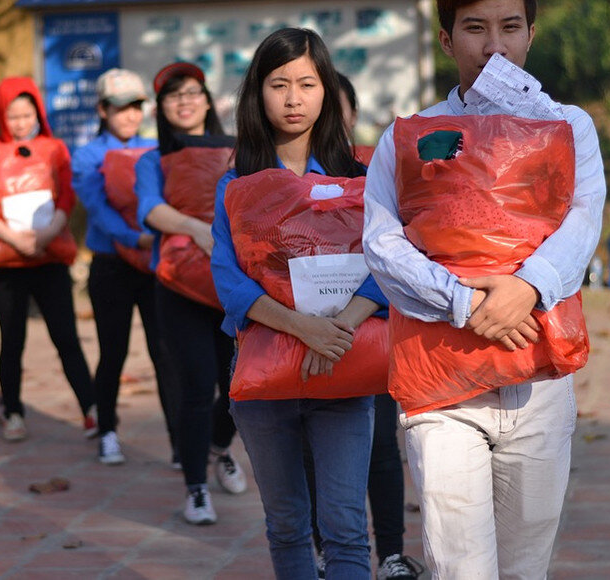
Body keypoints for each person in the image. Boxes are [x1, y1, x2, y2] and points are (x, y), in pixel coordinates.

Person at [362, 0, 606, 577]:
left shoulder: (568, 125)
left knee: (526, 566)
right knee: (460, 566)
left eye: (509, 26)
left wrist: (527, 287)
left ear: (530, 35)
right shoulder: (410, 136)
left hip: (539, 377)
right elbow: (382, 242)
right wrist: (464, 302)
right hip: (441, 385)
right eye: (474, 28)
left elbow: (584, 218)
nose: (493, 45)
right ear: (446, 41)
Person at [211, 28, 384, 579]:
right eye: (278, 83)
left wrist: (337, 331)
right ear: (257, 93)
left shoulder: (363, 177)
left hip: (345, 369)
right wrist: (300, 327)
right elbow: (227, 276)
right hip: (265, 380)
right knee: (287, 528)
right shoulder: (238, 183)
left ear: (326, 91)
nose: (293, 98)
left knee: (347, 532)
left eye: (307, 84)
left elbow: (392, 264)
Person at [304, 72, 423, 580]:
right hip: (302, 338)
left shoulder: (374, 176)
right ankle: (327, 550)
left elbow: (397, 252)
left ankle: (391, 554)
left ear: (350, 115)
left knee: (379, 447)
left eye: (338, 106)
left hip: (370, 328)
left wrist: (354, 315)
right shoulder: (282, 184)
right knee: (314, 452)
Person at [135, 61, 247, 525]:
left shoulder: (238, 152)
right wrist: (196, 229)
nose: (184, 101)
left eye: (192, 92)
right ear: (161, 107)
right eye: (173, 95)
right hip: (178, 286)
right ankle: (196, 487)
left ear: (207, 100)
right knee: (197, 387)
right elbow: (151, 209)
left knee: (241, 388)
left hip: (234, 287)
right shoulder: (151, 159)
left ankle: (217, 448)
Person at [0, 76, 96, 442]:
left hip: (50, 259)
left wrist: (47, 234)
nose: (21, 123)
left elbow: (67, 195)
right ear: (2, 116)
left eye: (27, 114)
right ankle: (13, 412)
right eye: (14, 116)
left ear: (38, 112)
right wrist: (12, 239)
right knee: (12, 341)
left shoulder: (55, 149)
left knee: (66, 338)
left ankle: (91, 408)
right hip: (6, 265)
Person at [71, 68, 180, 464]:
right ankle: (108, 432)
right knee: (112, 351)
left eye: (136, 106)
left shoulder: (157, 149)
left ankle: (178, 442)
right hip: (112, 267)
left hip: (153, 266)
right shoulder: (87, 157)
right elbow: (98, 211)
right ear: (102, 109)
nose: (130, 115)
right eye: (120, 108)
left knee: (164, 353)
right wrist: (139, 238)